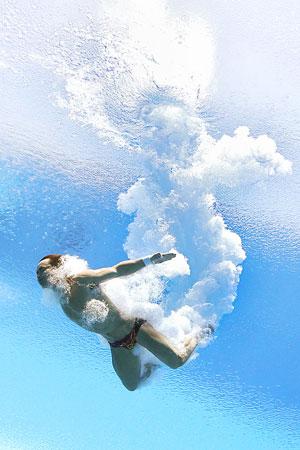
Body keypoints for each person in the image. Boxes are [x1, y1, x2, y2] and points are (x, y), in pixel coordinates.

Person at [36, 252, 201, 391]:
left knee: (177, 361)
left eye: (43, 269)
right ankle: (152, 363)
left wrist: (149, 260)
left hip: (134, 329)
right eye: (37, 273)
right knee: (132, 385)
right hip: (117, 344)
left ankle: (201, 332)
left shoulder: (80, 279)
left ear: (59, 267)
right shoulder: (62, 301)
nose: (39, 274)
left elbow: (117, 270)